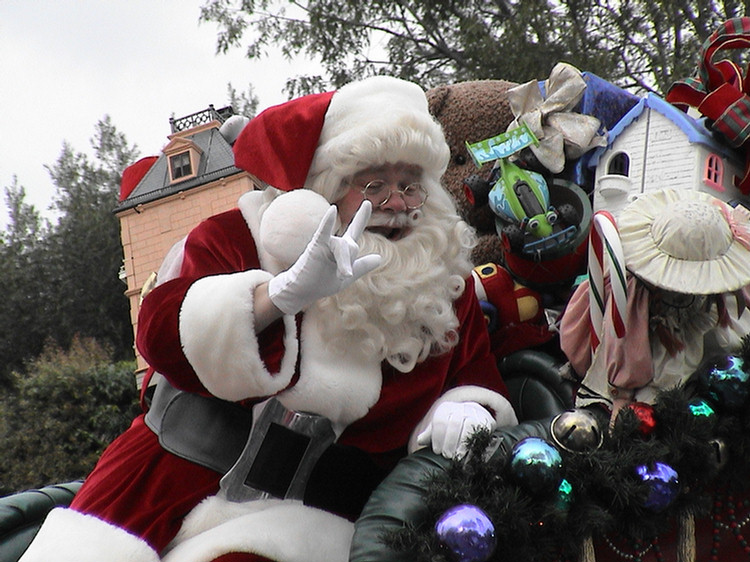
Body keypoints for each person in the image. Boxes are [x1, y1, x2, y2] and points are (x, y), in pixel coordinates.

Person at [20, 76, 517, 562]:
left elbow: (474, 372)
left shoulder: (440, 282)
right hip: (171, 476)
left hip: (315, 515)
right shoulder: (242, 236)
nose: (397, 205)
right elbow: (159, 332)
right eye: (374, 185)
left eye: (411, 186)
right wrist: (274, 299)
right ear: (325, 188)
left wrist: (466, 406)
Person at [560, 188, 750, 420]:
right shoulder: (636, 291)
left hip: (684, 321)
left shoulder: (711, 297)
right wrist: (622, 393)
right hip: (642, 339)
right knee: (660, 392)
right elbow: (625, 345)